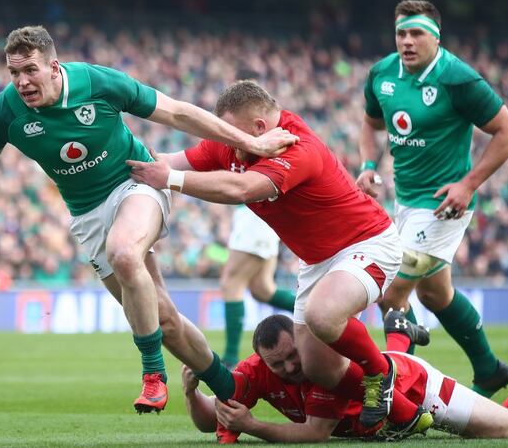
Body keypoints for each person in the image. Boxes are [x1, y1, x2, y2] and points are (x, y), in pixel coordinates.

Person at [0, 26, 297, 415]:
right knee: (163, 319)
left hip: (136, 182)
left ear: (54, 66)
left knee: (123, 252)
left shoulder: (96, 82)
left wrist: (250, 143)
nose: (22, 81)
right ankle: (232, 390)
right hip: (87, 214)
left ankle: (153, 375)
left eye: (30, 70)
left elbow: (176, 111)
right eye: (14, 72)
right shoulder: (5, 111)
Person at [129, 79, 428, 435]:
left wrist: (172, 179)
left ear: (259, 129)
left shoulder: (297, 146)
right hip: (318, 261)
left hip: (367, 242)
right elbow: (161, 161)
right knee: (318, 367)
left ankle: (382, 372)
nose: (230, 144)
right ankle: (407, 413)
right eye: (224, 134)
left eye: (234, 135)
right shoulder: (230, 143)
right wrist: (109, 155)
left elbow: (241, 188)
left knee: (322, 314)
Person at [355, 0, 508, 397]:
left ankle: (398, 392)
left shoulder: (457, 78)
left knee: (392, 292)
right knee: (435, 293)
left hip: (444, 205)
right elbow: (370, 123)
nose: (407, 42)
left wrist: (468, 184)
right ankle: (488, 368)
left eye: (416, 33)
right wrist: (366, 164)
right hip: (406, 202)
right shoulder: (381, 74)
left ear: (436, 37)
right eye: (401, 33)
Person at [181, 314, 508, 444]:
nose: (291, 368)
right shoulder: (253, 373)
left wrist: (252, 426)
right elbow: (213, 421)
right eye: (279, 365)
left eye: (294, 356)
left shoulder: (320, 363)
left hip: (414, 390)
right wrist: (190, 392)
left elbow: (315, 434)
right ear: (260, 362)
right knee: (380, 361)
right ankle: (401, 333)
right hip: (377, 392)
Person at [219, 205, 295, 369]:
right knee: (263, 290)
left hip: (253, 216)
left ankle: (230, 358)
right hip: (258, 215)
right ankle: (314, 312)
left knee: (231, 284)